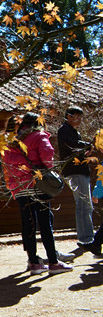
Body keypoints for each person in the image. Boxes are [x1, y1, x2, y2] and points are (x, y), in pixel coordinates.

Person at [2, 112, 73, 274]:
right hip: (37, 184)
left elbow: (7, 165)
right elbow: (47, 154)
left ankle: (34, 262)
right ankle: (54, 262)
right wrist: (47, 169)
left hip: (19, 186)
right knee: (45, 222)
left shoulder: (8, 142)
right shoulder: (38, 135)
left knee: (28, 223)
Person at [56, 106, 95, 252]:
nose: (78, 119)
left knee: (86, 205)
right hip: (74, 171)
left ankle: (87, 236)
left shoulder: (74, 132)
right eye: (75, 116)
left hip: (80, 171)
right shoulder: (64, 130)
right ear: (68, 116)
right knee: (84, 205)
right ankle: (86, 239)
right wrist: (87, 145)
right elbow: (71, 146)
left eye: (80, 116)